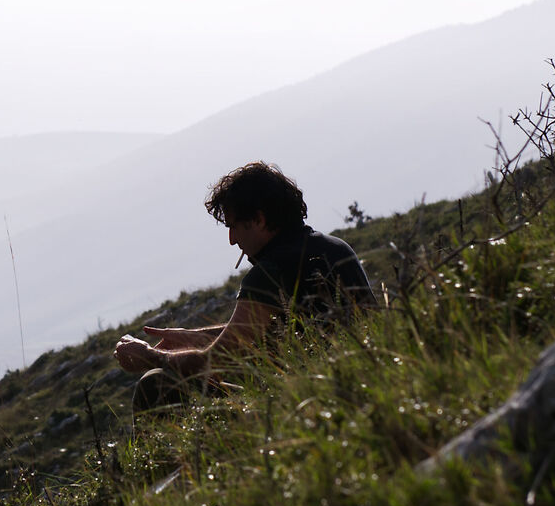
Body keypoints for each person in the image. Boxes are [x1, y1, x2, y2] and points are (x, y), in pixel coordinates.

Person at [113, 161, 373, 406]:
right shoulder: (336, 247)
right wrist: (194, 337)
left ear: (259, 220)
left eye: (234, 226)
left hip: (303, 401)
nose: (232, 239)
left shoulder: (271, 271)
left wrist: (148, 356)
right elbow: (260, 330)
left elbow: (216, 361)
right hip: (360, 382)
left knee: (155, 383)